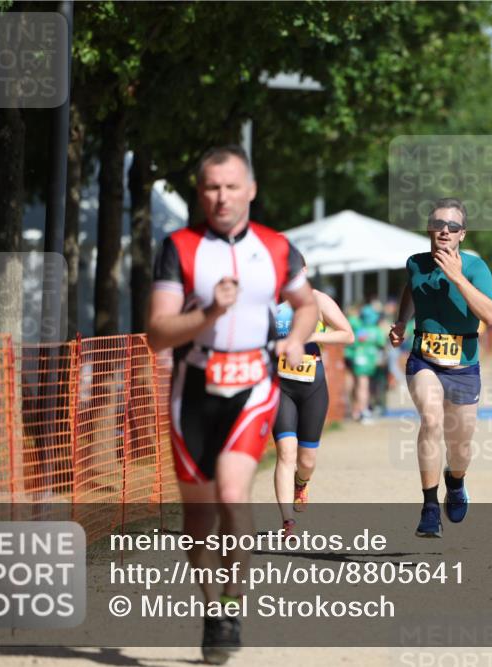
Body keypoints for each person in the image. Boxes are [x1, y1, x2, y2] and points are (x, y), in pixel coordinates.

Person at [147, 145, 318, 665]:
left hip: (254, 384)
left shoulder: (277, 247)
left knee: (232, 492)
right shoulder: (178, 246)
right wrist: (209, 313)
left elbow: (306, 304)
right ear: (200, 193)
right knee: (198, 522)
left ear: (251, 190)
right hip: (194, 389)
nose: (221, 197)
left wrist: (295, 340)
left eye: (231, 186)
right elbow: (157, 333)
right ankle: (211, 607)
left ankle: (230, 605)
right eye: (211, 188)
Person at [389, 198, 492, 538]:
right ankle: (429, 507)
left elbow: (491, 316)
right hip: (424, 358)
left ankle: (456, 481)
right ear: (429, 229)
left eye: (452, 227)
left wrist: (457, 277)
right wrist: (401, 322)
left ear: (462, 234)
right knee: (431, 419)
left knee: (461, 447)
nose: (444, 231)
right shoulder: (415, 262)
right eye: (438, 225)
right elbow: (410, 287)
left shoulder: (476, 268)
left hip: (464, 365)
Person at [272, 287, 354, 534]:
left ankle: (302, 481)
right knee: (286, 453)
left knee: (306, 460)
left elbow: (347, 334)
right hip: (278, 386)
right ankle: (287, 521)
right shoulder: (266, 297)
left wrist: (312, 337)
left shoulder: (317, 299)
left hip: (312, 385)